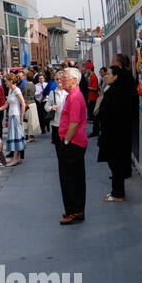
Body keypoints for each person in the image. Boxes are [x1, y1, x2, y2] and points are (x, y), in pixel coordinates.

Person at [98, 56, 137, 202]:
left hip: (116, 136)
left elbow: (115, 115)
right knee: (114, 164)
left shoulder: (118, 93)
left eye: (108, 74)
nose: (105, 76)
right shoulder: (114, 90)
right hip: (113, 135)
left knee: (116, 163)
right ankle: (116, 191)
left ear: (115, 77)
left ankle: (118, 193)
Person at [57, 67, 88, 225]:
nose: (62, 79)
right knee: (72, 178)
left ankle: (74, 211)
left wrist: (66, 141)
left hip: (73, 143)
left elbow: (74, 123)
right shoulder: (73, 95)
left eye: (65, 77)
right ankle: (75, 209)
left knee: (70, 179)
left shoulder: (75, 97)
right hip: (73, 142)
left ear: (74, 80)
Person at [3, 74, 26, 165]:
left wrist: (21, 116)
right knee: (15, 136)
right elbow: (6, 105)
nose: (5, 82)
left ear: (11, 81)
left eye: (6, 81)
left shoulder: (17, 90)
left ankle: (15, 159)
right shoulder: (10, 91)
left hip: (16, 116)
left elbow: (23, 103)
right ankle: (17, 158)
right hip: (12, 115)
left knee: (15, 136)